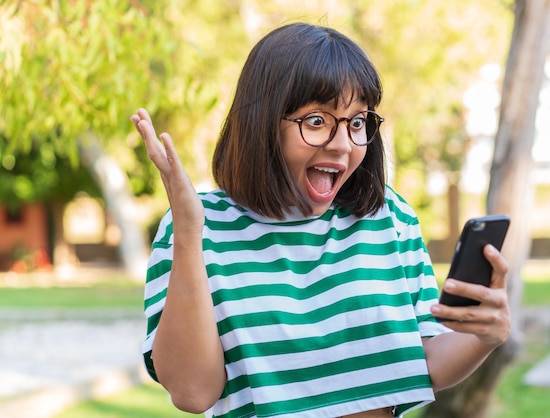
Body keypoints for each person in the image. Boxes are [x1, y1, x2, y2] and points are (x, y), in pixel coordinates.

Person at [131, 22, 510, 418]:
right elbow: (193, 393)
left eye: (358, 122)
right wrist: (190, 235)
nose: (343, 144)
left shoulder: (390, 218)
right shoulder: (198, 227)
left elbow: (427, 359)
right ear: (262, 122)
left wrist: (486, 336)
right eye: (317, 121)